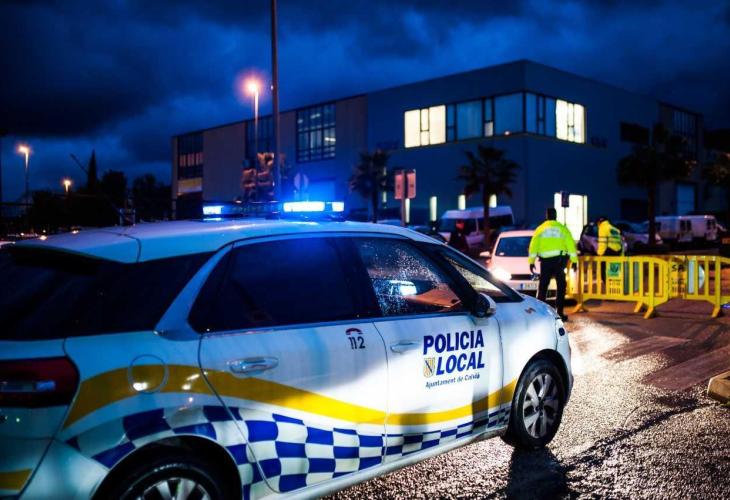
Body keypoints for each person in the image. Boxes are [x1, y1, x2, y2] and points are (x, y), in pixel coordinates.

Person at [528, 208, 578, 321]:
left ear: (546, 216)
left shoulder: (540, 229)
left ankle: (540, 314)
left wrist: (531, 262)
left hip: (545, 262)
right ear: (556, 216)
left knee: (543, 287)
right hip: (559, 262)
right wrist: (574, 261)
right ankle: (559, 313)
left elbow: (533, 246)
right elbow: (571, 245)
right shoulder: (562, 229)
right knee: (561, 287)